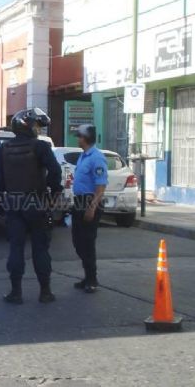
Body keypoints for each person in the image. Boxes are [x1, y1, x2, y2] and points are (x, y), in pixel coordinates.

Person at [0, 108, 63, 304]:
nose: (38, 129)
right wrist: (54, 192)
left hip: (13, 204)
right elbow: (55, 171)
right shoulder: (40, 147)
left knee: (16, 248)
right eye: (36, 125)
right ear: (27, 126)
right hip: (37, 203)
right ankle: (45, 292)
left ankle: (16, 293)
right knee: (40, 249)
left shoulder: (3, 149)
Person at [71, 124, 108, 293]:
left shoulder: (97, 158)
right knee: (78, 241)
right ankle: (87, 276)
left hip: (90, 202)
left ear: (85, 138)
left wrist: (92, 208)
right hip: (79, 201)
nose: (77, 138)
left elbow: (101, 187)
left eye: (79, 136)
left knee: (87, 241)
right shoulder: (83, 156)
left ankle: (92, 279)